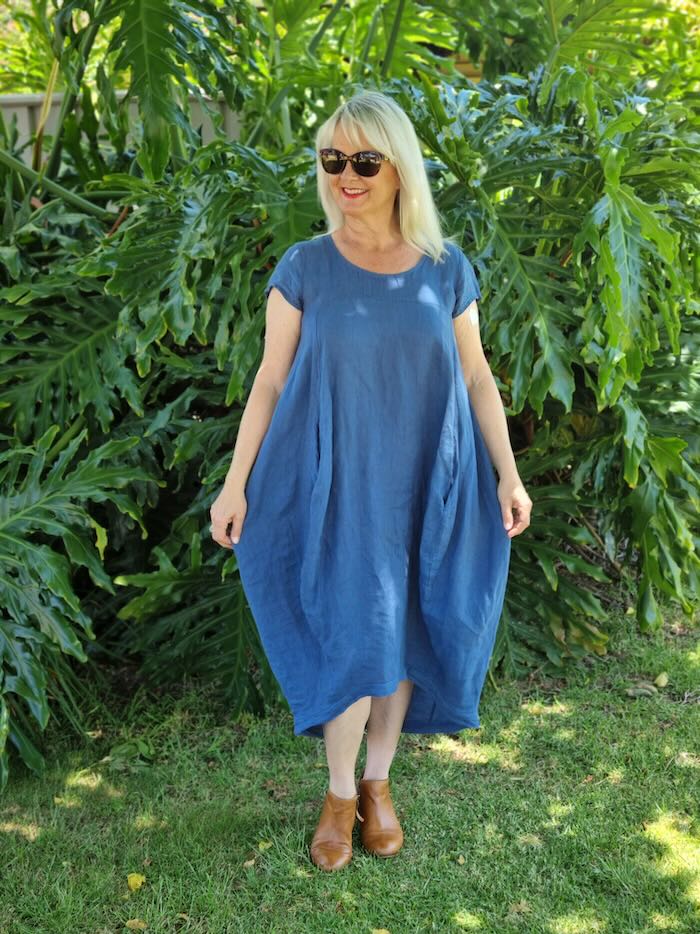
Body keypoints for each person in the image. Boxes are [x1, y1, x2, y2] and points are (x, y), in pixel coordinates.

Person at [210, 89, 532, 871]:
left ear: (399, 167)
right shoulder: (306, 266)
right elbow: (270, 382)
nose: (345, 176)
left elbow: (478, 378)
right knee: (357, 634)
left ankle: (380, 782)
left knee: (406, 633)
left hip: (428, 479)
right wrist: (235, 483)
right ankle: (339, 793)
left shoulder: (445, 268)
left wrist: (508, 476)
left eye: (363, 160)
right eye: (332, 160)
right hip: (337, 489)